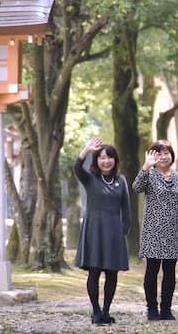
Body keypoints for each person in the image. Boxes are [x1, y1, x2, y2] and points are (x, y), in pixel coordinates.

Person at [74, 137, 131, 326]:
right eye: (101, 157)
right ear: (96, 161)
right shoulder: (90, 179)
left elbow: (126, 209)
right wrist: (86, 150)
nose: (106, 161)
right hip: (94, 230)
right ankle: (96, 311)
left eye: (109, 157)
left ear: (115, 160)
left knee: (112, 273)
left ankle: (106, 311)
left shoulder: (120, 181)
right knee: (94, 272)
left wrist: (123, 230)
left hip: (114, 232)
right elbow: (77, 168)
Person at [132, 140, 178, 321]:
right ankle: (152, 309)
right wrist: (146, 166)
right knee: (152, 270)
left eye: (166, 153)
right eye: (159, 153)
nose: (163, 157)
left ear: (172, 155)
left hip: (174, 230)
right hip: (153, 230)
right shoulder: (150, 175)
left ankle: (166, 308)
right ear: (152, 156)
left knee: (170, 272)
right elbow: (136, 187)